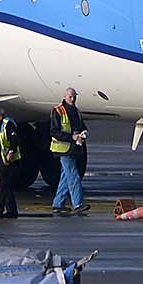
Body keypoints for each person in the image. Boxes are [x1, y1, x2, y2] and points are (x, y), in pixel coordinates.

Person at [49, 87, 89, 215]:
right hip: (63, 148)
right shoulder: (58, 111)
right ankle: (78, 203)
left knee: (66, 177)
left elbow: (82, 126)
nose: (73, 99)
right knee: (73, 176)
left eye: (74, 96)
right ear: (65, 96)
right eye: (70, 97)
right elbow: (54, 132)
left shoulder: (76, 111)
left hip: (74, 147)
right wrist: (71, 137)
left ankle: (58, 203)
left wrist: (84, 133)